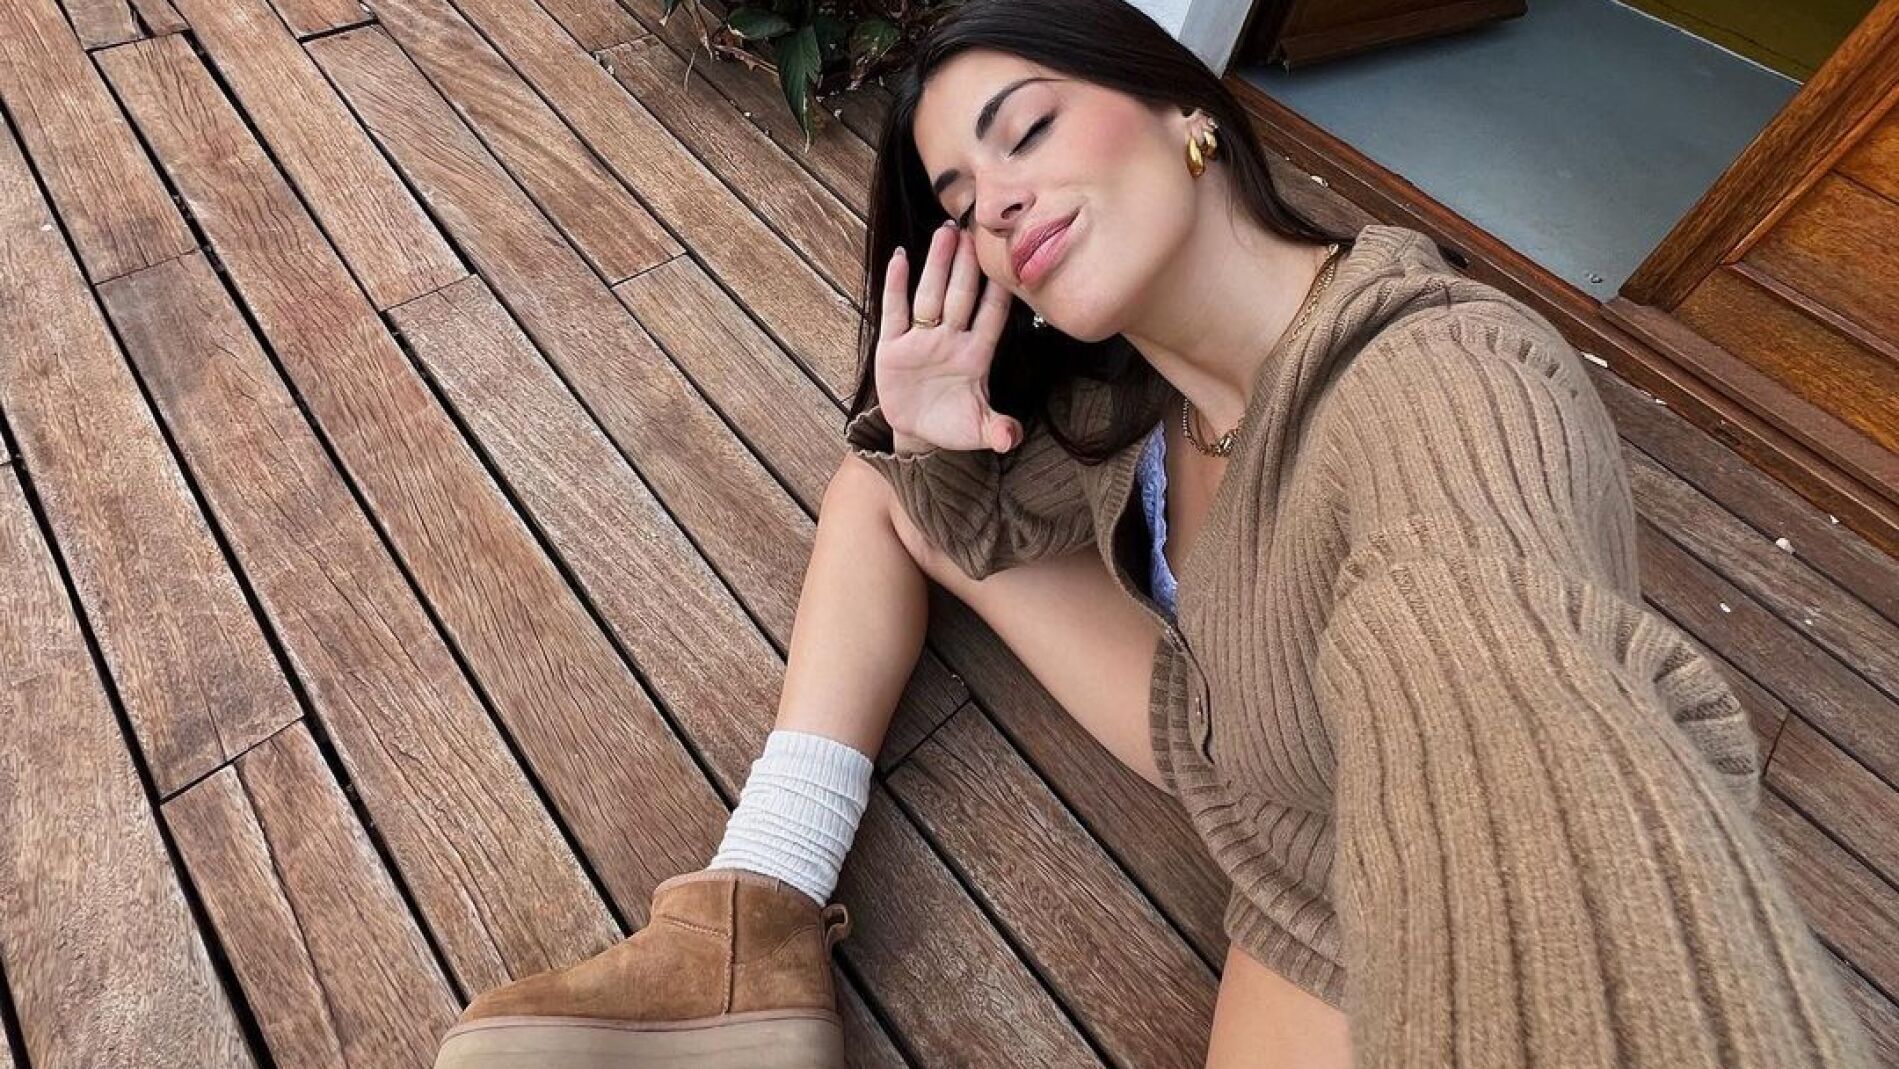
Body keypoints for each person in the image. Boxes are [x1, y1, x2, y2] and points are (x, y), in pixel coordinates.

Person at [431, 0, 1875, 1065]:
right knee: (881, 483)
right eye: (960, 203)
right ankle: (758, 904)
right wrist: (931, 438)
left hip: (1347, 886)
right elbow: (965, 517)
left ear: (1190, 112)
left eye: (1028, 130)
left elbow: (1521, 729)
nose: (997, 202)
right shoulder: (1133, 387)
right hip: (1227, 736)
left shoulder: (1444, 382)